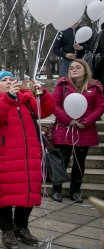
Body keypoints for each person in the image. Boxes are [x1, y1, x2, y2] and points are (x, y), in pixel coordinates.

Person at [0, 70, 54, 249]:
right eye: (3, 80)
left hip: (29, 156)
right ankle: (7, 230)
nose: (8, 81)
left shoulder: (27, 101)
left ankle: (22, 227)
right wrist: (8, 97)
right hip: (4, 158)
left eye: (11, 79)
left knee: (28, 193)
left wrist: (42, 93)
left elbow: (46, 110)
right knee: (4, 196)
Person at [51, 59, 104, 203]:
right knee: (62, 161)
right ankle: (56, 190)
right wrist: (69, 120)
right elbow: (54, 105)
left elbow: (100, 107)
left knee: (79, 162)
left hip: (84, 130)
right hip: (65, 129)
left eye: (77, 67)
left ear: (85, 70)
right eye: (71, 67)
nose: (73, 69)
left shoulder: (95, 87)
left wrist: (86, 121)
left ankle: (75, 191)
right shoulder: (62, 85)